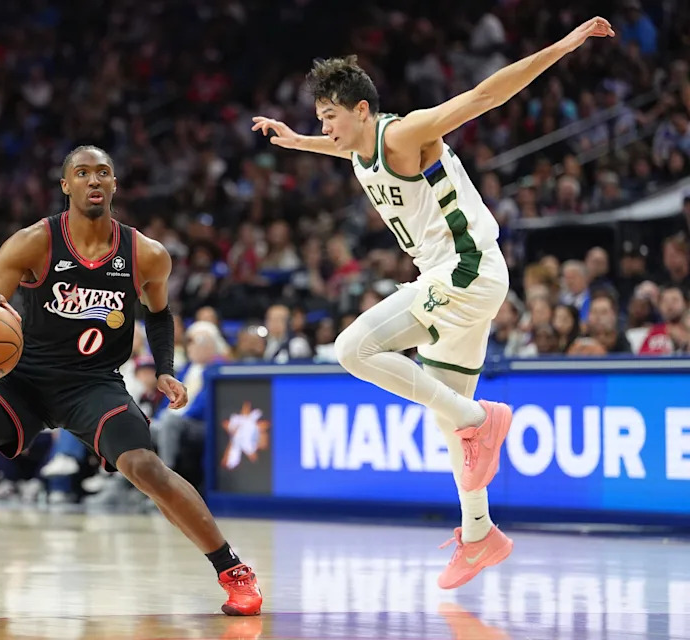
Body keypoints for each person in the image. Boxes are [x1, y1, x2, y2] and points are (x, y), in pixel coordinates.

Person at [252, 17, 614, 589]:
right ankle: (479, 535)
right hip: (458, 278)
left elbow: (485, 95)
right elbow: (340, 148)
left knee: (353, 348)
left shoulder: (403, 134)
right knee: (451, 423)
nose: (323, 127)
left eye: (329, 117)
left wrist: (566, 45)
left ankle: (481, 419)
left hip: (465, 270)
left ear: (363, 110)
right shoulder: (357, 147)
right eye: (318, 119)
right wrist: (299, 142)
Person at [0, 146, 263, 617]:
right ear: (66, 186)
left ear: (115, 185)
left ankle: (234, 571)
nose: (93, 180)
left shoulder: (146, 254)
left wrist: (165, 369)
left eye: (103, 173)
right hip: (24, 378)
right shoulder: (34, 241)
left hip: (93, 383)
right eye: (82, 173)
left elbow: (159, 314)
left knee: (146, 467)